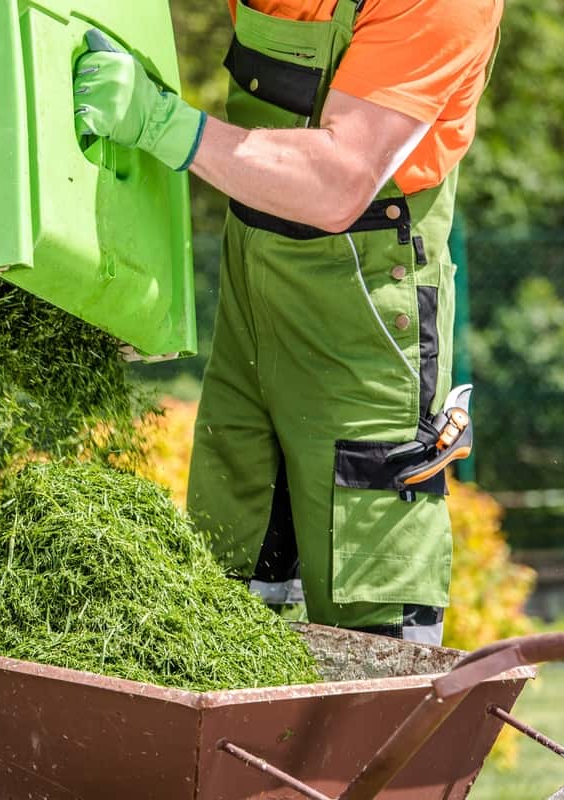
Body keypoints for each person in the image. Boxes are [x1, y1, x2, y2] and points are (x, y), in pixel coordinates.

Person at [73, 0, 502, 644]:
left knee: (371, 612)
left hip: (365, 317)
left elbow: (336, 181)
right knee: (229, 568)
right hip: (255, 284)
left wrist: (162, 123)